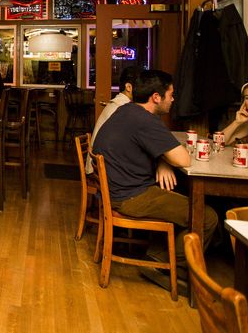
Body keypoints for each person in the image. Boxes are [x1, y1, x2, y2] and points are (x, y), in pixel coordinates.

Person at [92, 70, 218, 292]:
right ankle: (169, 268)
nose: (173, 99)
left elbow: (159, 151)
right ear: (156, 97)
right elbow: (183, 158)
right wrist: (166, 159)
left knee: (177, 192)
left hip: (119, 190)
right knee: (206, 216)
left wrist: (163, 161)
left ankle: (158, 256)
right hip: (130, 196)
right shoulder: (145, 120)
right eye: (170, 94)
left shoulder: (127, 111)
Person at [91, 65, 142, 145]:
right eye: (141, 86)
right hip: (101, 156)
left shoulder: (118, 103)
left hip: (98, 155)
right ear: (128, 87)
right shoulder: (123, 107)